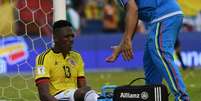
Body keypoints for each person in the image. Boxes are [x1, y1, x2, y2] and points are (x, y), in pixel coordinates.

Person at [105, 0, 190, 100]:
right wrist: (122, 45)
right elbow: (133, 15)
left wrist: (127, 40)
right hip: (164, 15)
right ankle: (153, 97)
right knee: (151, 62)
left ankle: (182, 97)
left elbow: (133, 9)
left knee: (160, 53)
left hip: (163, 15)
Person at [34, 20, 98, 101]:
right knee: (85, 93)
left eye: (72, 36)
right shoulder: (43, 58)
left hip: (75, 95)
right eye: (66, 37)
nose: (71, 39)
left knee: (91, 92)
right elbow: (44, 95)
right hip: (56, 97)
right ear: (55, 38)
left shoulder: (77, 57)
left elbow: (83, 87)